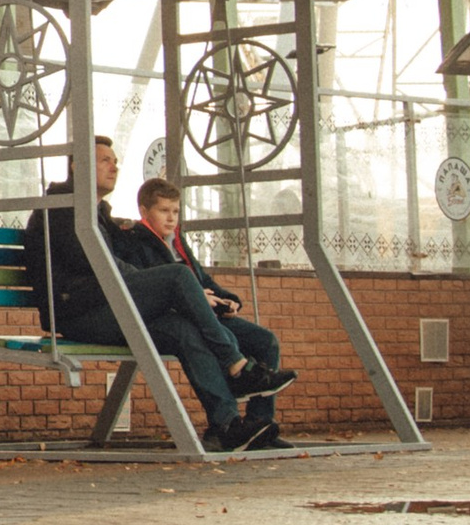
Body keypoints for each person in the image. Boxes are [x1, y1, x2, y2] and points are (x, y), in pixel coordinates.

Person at [17, 137, 280, 450]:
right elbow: (97, 263)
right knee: (177, 278)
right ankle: (236, 365)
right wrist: (160, 284)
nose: (114, 166)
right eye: (105, 161)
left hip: (105, 306)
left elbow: (123, 261)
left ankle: (227, 425)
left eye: (115, 160)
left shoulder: (96, 212)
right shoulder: (61, 208)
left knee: (183, 330)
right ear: (78, 165)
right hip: (77, 312)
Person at [123, 176, 298, 439]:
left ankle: (260, 424)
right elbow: (149, 285)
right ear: (144, 211)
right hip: (170, 316)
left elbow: (202, 280)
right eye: (163, 211)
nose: (171, 218)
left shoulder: (177, 242)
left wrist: (228, 299)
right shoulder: (134, 242)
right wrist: (198, 297)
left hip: (203, 314)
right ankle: (226, 420)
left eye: (175, 211)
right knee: (213, 337)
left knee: (265, 340)